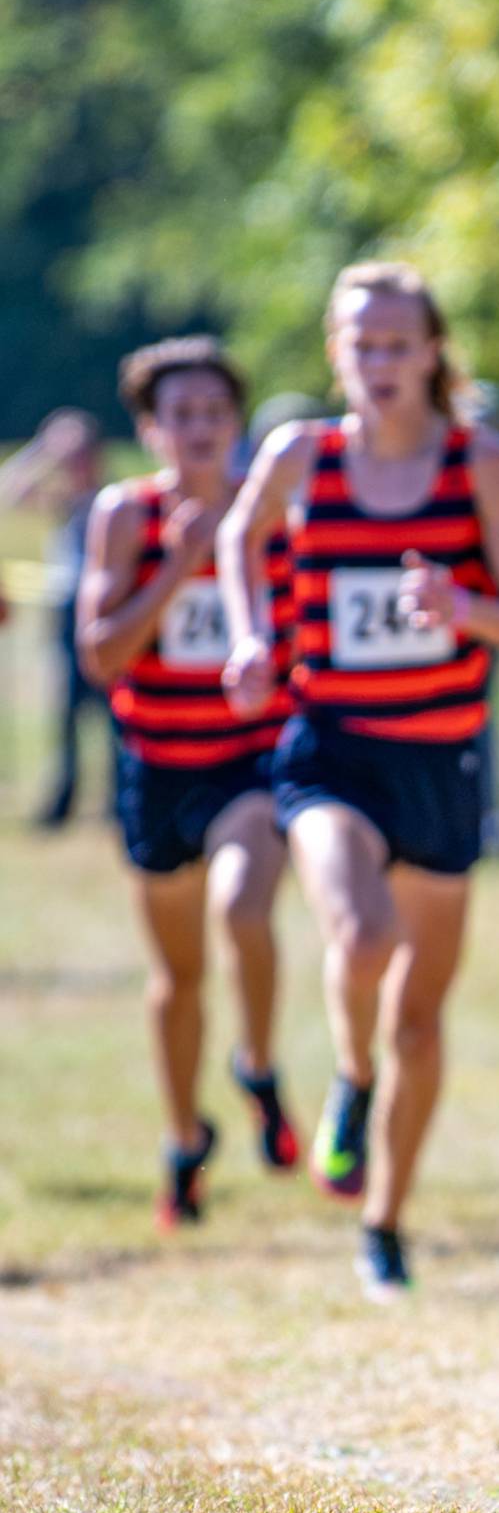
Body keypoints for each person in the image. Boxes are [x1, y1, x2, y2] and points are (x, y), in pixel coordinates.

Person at [218, 261, 499, 1299]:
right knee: (360, 936)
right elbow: (237, 537)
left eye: (400, 345)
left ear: (432, 354)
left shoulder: (478, 462)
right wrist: (250, 635)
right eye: (362, 346)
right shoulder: (299, 455)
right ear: (335, 354)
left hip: (441, 762)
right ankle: (351, 1081)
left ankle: (386, 1219)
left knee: (422, 1015)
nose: (381, 364)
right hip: (331, 747)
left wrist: (463, 607)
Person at [75, 339, 298, 1228]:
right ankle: (184, 1136)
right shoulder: (124, 516)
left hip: (247, 760)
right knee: (176, 977)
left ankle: (257, 1063)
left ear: (234, 423)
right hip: (154, 764)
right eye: (181, 415)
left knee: (244, 907)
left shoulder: (268, 513)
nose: (200, 429)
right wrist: (176, 564)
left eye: (215, 413)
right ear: (150, 430)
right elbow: (100, 657)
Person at [0, 408, 113, 827]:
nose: (74, 463)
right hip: (67, 611)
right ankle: (64, 799)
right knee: (66, 712)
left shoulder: (111, 497)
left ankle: (116, 802)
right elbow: (11, 491)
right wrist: (42, 450)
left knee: (111, 712)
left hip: (106, 610)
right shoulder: (64, 500)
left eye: (80, 452)